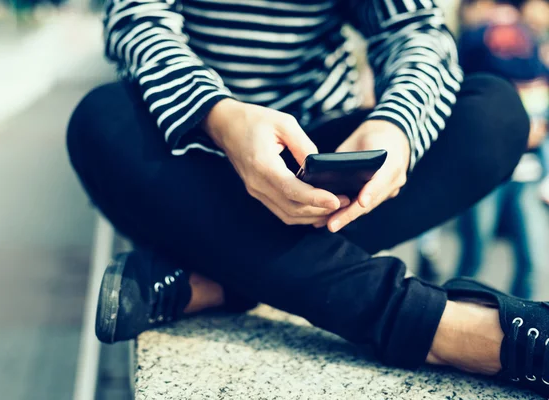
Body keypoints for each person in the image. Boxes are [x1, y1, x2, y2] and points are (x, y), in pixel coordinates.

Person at [67, 0, 549, 396]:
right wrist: (219, 115)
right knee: (100, 120)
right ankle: (433, 326)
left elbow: (414, 30)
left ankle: (221, 281)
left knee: (496, 114)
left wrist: (397, 125)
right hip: (197, 158)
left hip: (321, 156)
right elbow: (136, 21)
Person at [454, 0, 549, 299]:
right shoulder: (482, 36)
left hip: (527, 172)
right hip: (488, 170)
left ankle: (523, 330)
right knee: (474, 258)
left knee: (532, 258)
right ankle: (454, 322)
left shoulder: (530, 38)